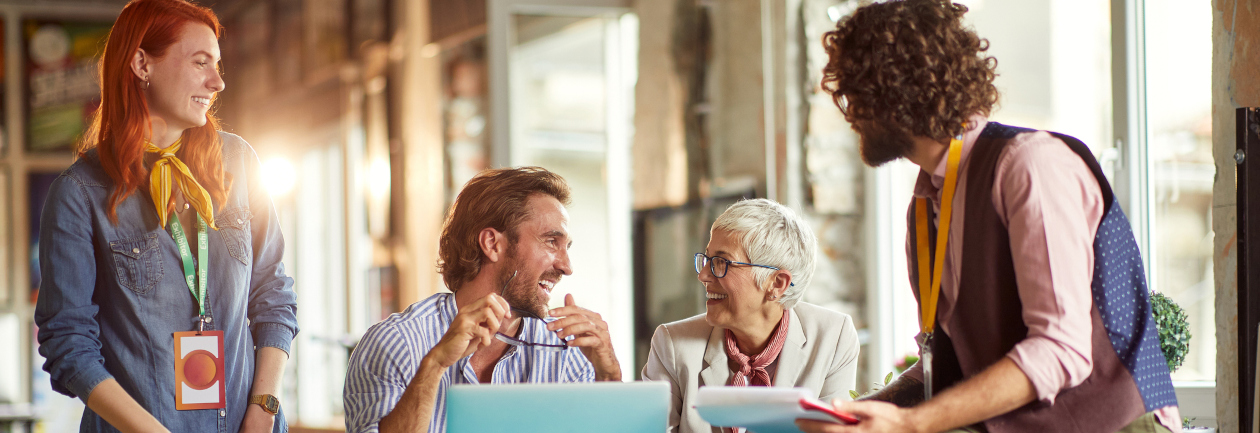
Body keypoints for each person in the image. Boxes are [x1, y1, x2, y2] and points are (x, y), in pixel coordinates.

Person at [799, 1, 1182, 432]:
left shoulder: (1029, 165)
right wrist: (857, 416)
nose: (848, 112)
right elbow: (948, 366)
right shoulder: (925, 206)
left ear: (893, 91)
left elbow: (1061, 350)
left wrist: (910, 424)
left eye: (854, 92)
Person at [34, 1, 298, 432]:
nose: (218, 82)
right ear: (142, 63)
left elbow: (273, 294)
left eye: (218, 64)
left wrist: (263, 409)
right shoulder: (79, 194)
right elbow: (69, 345)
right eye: (200, 63)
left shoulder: (240, 162)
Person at [343, 167, 623, 433]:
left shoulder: (565, 348)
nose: (567, 266)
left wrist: (609, 375)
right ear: (492, 243)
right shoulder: (395, 343)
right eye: (551, 242)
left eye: (567, 247)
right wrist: (435, 365)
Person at [643, 198, 860, 433]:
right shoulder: (672, 344)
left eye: (721, 262)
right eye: (707, 259)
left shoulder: (833, 337)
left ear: (777, 284)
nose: (703, 275)